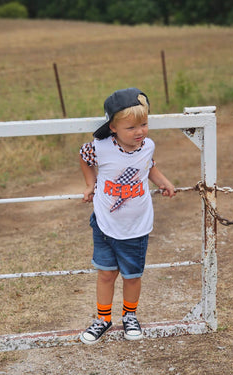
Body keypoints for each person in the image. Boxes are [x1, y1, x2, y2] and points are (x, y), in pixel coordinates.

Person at [79, 87, 175, 345]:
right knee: (106, 273)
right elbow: (84, 157)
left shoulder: (148, 146)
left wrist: (163, 182)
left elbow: (149, 165)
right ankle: (103, 318)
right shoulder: (100, 147)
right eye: (131, 128)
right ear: (113, 127)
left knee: (132, 275)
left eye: (144, 124)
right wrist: (90, 184)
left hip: (136, 225)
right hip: (104, 222)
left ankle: (130, 315)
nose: (140, 132)